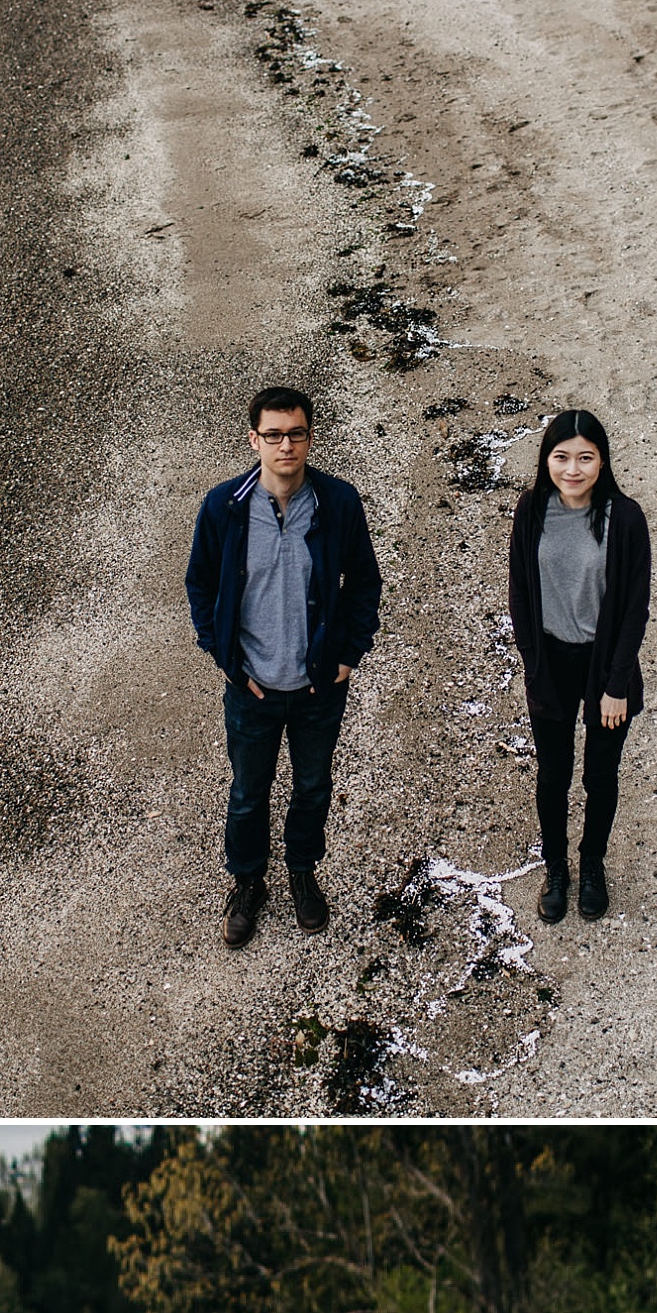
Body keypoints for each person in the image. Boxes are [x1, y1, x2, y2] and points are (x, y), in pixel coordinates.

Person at [185, 387, 383, 953]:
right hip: (252, 687)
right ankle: (248, 882)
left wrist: (349, 653)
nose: (285, 445)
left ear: (309, 437)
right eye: (273, 435)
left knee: (313, 785)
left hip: (320, 684)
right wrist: (224, 657)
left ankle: (302, 870)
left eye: (296, 433)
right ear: (255, 440)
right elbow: (199, 584)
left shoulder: (338, 504)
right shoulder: (224, 506)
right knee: (249, 791)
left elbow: (364, 582)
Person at [506, 404, 651, 926]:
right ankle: (557, 868)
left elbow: (636, 607)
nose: (573, 469)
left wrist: (616, 684)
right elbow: (520, 593)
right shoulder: (532, 510)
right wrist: (533, 662)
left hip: (605, 667)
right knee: (554, 774)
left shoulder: (625, 517)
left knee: (600, 774)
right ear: (546, 460)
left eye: (585, 458)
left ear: (603, 461)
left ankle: (592, 863)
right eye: (561, 457)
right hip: (551, 661)